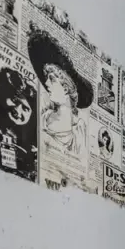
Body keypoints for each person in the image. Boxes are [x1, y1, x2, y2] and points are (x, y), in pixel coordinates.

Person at [27, 28, 93, 156]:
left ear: (66, 87)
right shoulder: (44, 117)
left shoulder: (79, 130)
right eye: (46, 78)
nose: (46, 83)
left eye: (51, 79)